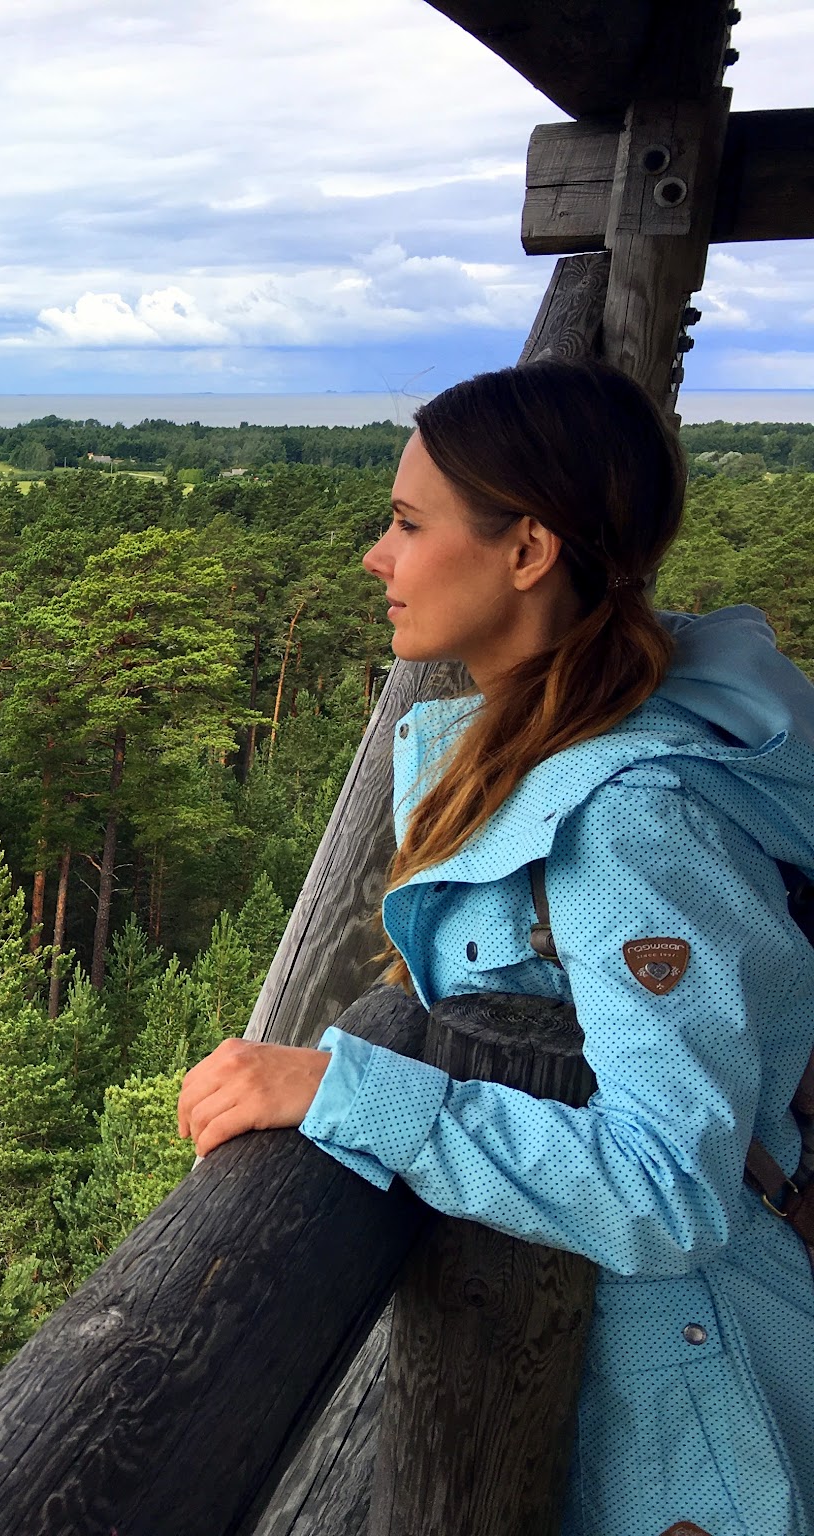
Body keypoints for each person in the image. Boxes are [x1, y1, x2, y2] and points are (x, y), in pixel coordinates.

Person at [176, 359, 814, 1536]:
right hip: (637, 1376)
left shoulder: (626, 821)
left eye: (407, 523)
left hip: (699, 1429)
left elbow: (668, 1190)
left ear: (526, 550)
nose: (374, 555)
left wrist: (345, 1093)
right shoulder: (593, 715)